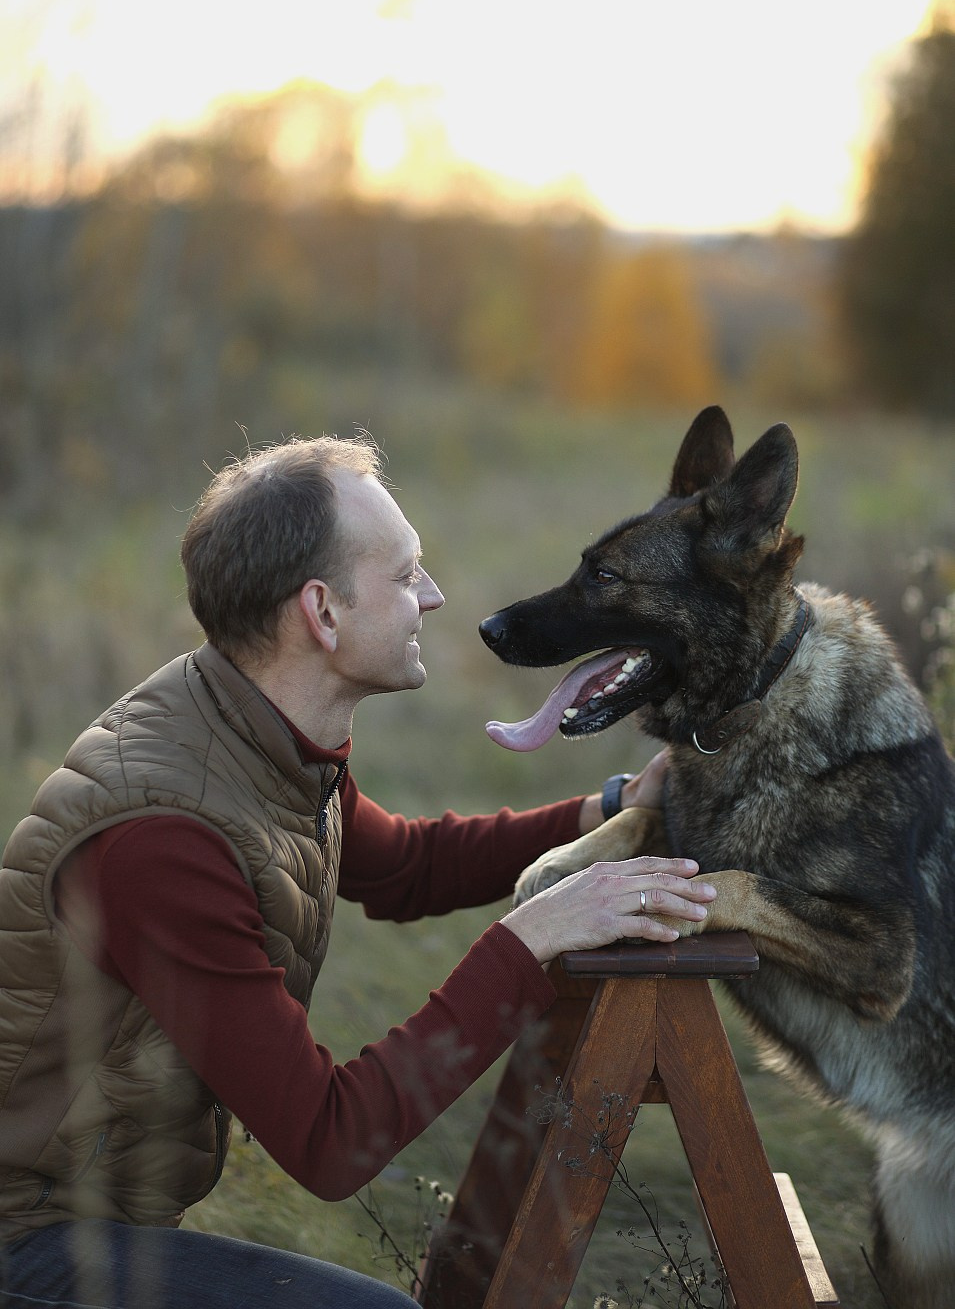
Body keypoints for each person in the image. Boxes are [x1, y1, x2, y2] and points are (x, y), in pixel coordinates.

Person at [0, 436, 716, 1308]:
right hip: (27, 1242)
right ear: (322, 614)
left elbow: (402, 866)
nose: (435, 595)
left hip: (89, 1220)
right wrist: (529, 942)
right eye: (406, 573)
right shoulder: (167, 838)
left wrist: (598, 812)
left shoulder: (252, 733)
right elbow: (328, 1141)